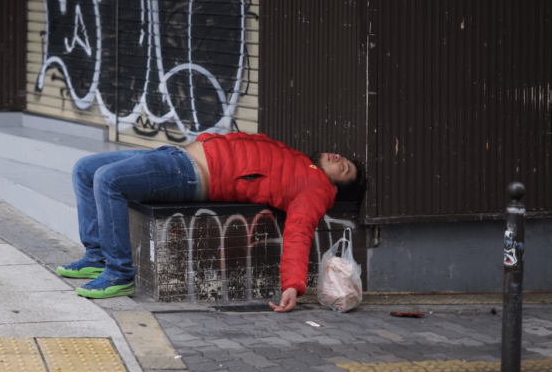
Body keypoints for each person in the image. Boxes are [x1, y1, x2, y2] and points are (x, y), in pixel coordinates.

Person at [58, 132, 366, 310]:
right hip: (176, 155)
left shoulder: (316, 188)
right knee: (85, 168)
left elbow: (300, 231)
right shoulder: (299, 161)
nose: (340, 160)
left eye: (345, 169)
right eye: (343, 159)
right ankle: (97, 255)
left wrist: (293, 285)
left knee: (108, 179)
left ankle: (119, 274)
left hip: (188, 174)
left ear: (336, 188)